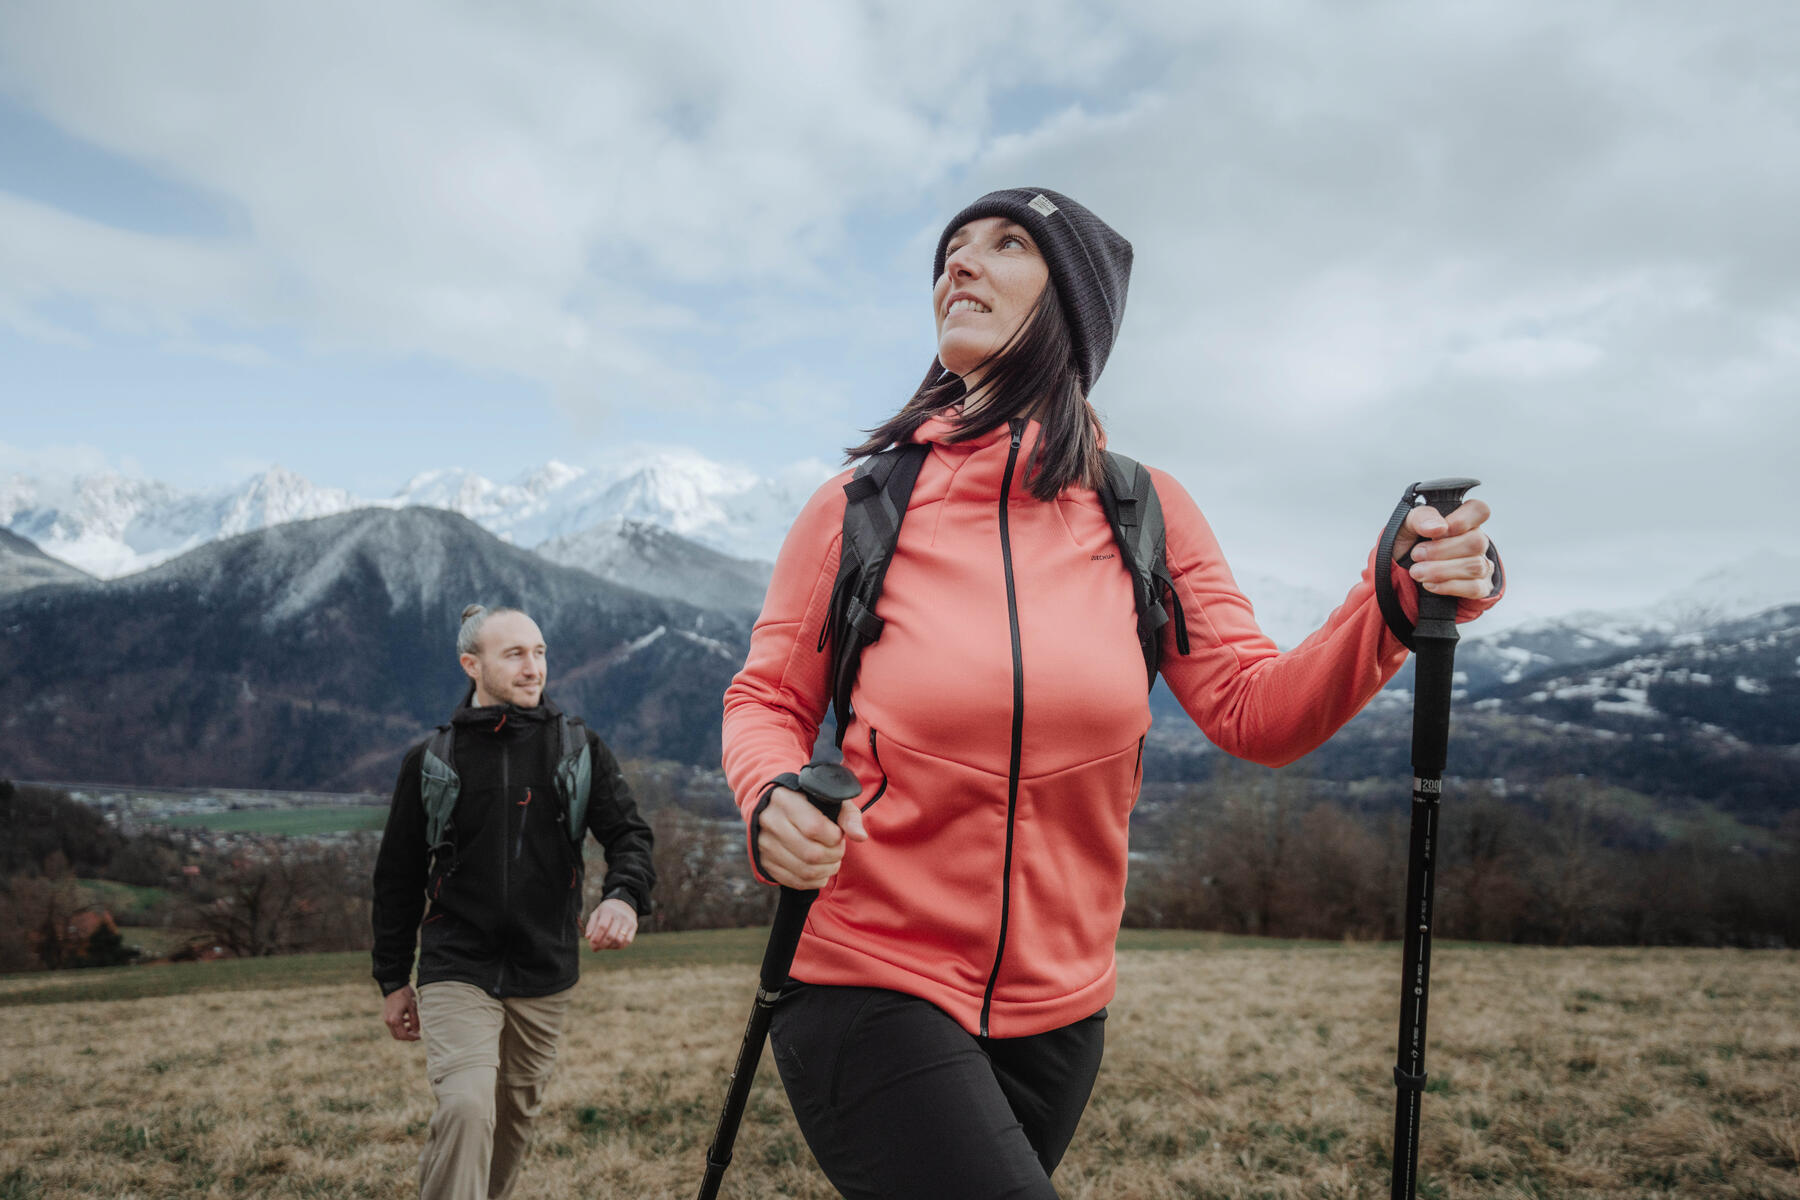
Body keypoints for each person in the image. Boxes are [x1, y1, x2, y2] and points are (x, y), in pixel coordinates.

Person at [720, 188, 1502, 1199]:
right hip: (868, 975)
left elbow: (1254, 712)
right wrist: (772, 792)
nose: (959, 263)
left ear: (1075, 308)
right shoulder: (859, 507)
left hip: (1062, 1010)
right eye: (950, 250)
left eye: (1005, 245)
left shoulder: (1147, 511)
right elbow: (766, 699)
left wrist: (1394, 597)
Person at [372, 604, 655, 1200]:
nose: (534, 668)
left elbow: (630, 835)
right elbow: (397, 876)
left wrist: (625, 897)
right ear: (471, 665)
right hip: (457, 962)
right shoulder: (431, 761)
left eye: (541, 652)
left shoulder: (576, 748)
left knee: (512, 1120)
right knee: (468, 1106)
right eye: (515, 654)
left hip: (544, 965)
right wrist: (393, 977)